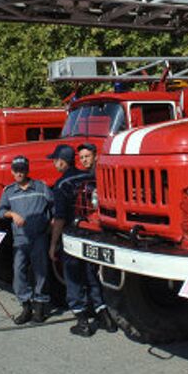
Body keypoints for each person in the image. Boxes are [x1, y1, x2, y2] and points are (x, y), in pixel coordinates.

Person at [49, 144, 117, 337]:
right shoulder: (89, 177)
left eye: (55, 160)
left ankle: (82, 322)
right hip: (92, 234)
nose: (54, 163)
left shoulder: (62, 184)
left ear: (62, 161)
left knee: (73, 277)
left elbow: (60, 217)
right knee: (91, 275)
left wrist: (53, 244)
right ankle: (104, 316)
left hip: (72, 236)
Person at [0, 155, 53, 325]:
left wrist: (50, 228)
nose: (19, 173)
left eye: (22, 169)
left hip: (39, 237)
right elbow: (0, 211)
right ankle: (26, 306)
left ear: (27, 170)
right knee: (18, 272)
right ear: (12, 171)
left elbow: (54, 207)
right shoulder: (9, 191)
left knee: (40, 272)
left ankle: (40, 308)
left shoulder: (41, 187)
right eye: (16, 170)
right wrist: (12, 214)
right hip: (20, 239)